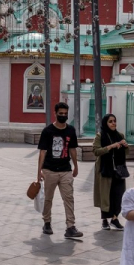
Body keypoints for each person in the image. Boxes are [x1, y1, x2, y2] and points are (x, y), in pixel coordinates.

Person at [36, 102, 82, 238]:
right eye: (60, 113)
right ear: (55, 114)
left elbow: (72, 149)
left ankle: (70, 227)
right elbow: (42, 152)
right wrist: (38, 172)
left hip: (65, 169)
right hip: (49, 170)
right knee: (48, 199)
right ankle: (47, 222)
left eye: (65, 114)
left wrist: (76, 166)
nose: (63, 116)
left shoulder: (71, 130)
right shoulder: (47, 131)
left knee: (69, 198)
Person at [93, 113, 129, 231]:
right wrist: (111, 146)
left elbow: (126, 153)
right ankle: (104, 220)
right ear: (105, 123)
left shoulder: (120, 135)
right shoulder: (100, 136)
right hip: (105, 169)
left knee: (118, 194)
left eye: (114, 121)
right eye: (110, 121)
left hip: (119, 170)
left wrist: (125, 145)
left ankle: (114, 218)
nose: (113, 123)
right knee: (105, 195)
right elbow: (96, 151)